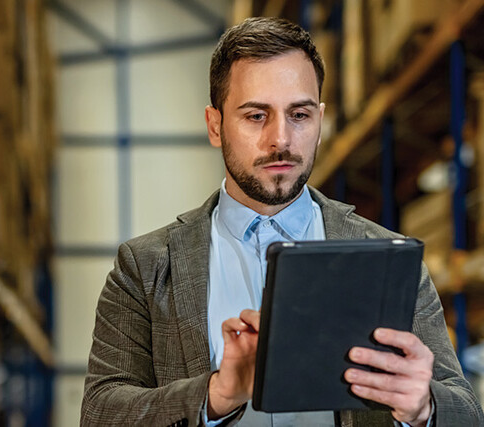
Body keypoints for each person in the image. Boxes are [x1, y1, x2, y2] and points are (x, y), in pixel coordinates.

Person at [81, 17, 483, 427]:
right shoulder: (145, 267)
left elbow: (467, 412)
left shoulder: (390, 261)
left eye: (300, 115)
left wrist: (424, 407)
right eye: (257, 116)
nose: (281, 139)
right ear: (215, 126)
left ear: (320, 121)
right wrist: (215, 395)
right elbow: (99, 413)